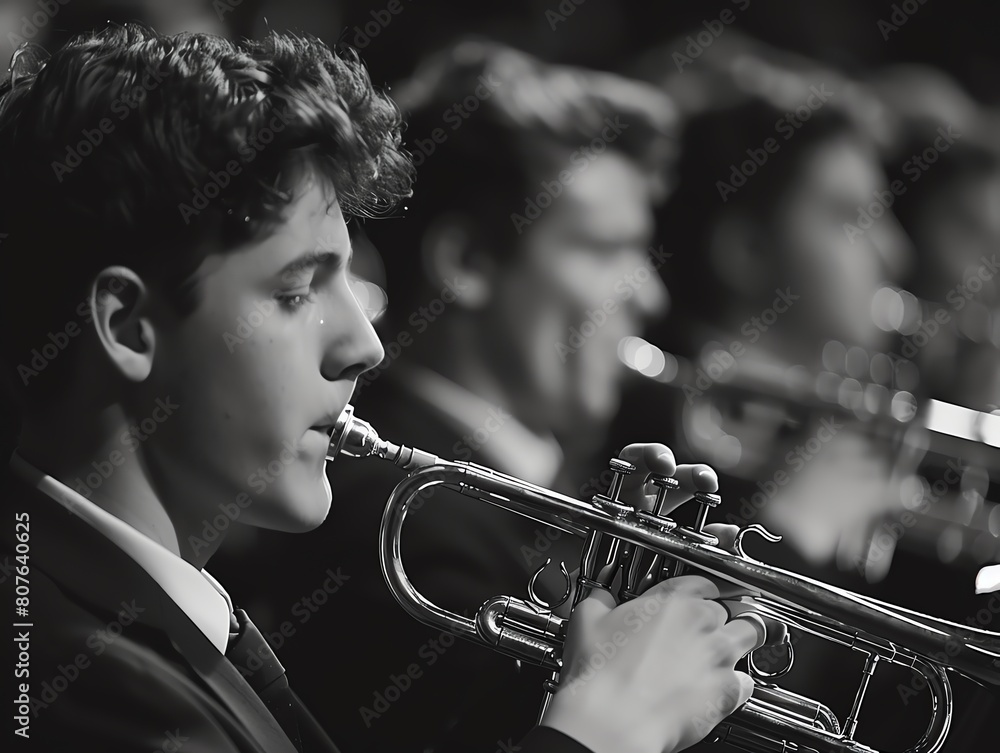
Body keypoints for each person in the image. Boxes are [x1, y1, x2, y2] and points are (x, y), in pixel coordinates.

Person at [0, 25, 773, 753]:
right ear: (130, 325)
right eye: (298, 290)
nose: (365, 344)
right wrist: (602, 726)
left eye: (349, 280)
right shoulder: (68, 674)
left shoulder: (155, 618)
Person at [208, 38, 684, 752]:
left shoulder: (533, 488)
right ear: (468, 262)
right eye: (604, 248)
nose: (650, 293)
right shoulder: (402, 524)